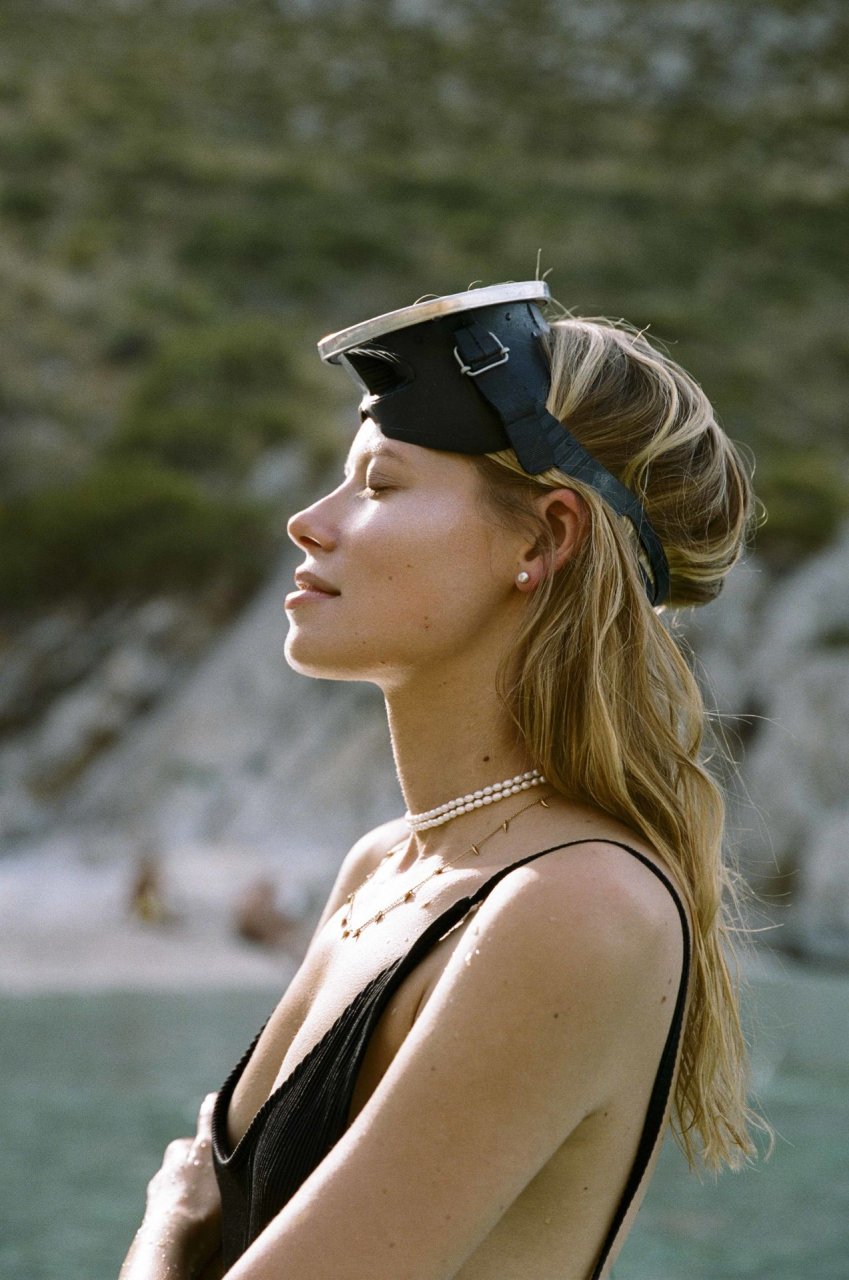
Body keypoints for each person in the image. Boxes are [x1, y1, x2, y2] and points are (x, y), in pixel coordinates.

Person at [120, 282, 765, 1280]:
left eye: (378, 486)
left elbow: (201, 1205)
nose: (308, 522)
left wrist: (166, 1224)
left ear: (543, 540)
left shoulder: (574, 907)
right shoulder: (385, 865)